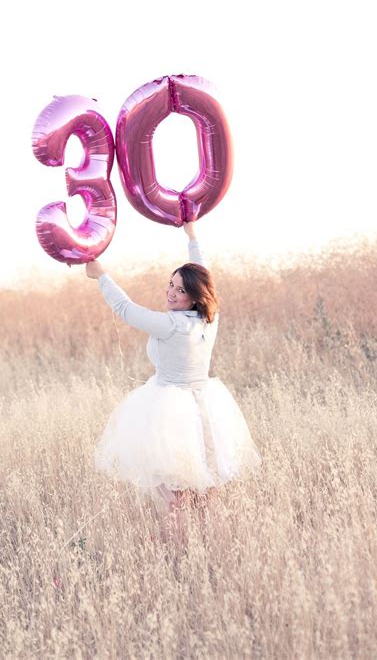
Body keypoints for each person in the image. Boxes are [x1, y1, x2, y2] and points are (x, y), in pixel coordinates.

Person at [85, 222, 262, 543]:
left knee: (176, 498)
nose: (170, 292)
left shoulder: (170, 325)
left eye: (180, 289)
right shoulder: (210, 317)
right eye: (171, 284)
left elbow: (125, 309)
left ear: (195, 297)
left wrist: (102, 276)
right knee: (206, 495)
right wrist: (192, 236)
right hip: (207, 408)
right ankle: (212, 551)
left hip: (172, 411)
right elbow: (204, 271)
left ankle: (174, 556)